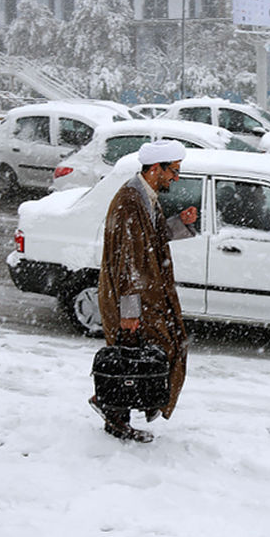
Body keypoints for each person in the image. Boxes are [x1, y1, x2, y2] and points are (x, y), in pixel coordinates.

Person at [92, 139, 197, 442]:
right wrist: (129, 313)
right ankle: (113, 412)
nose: (175, 178)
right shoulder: (130, 201)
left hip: (142, 293)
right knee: (139, 354)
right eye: (173, 172)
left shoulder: (145, 195)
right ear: (155, 168)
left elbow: (151, 238)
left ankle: (114, 409)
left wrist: (180, 223)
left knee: (138, 354)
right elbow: (128, 261)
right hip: (133, 296)